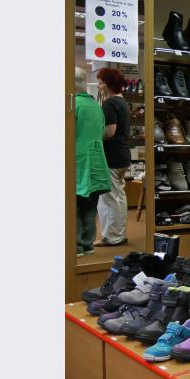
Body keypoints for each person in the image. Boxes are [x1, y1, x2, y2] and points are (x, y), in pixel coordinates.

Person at [75, 67, 110, 257]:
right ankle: (87, 244)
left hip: (77, 160)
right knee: (89, 204)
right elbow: (102, 132)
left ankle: (76, 245)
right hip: (97, 160)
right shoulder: (96, 106)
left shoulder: (72, 104)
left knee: (73, 204)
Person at [95, 67, 131, 247]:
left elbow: (109, 132)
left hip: (112, 155)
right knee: (119, 196)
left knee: (108, 198)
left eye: (100, 82)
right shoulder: (122, 102)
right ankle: (119, 233)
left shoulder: (109, 104)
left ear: (107, 84)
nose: (99, 86)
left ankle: (112, 236)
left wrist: (94, 134)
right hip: (123, 154)